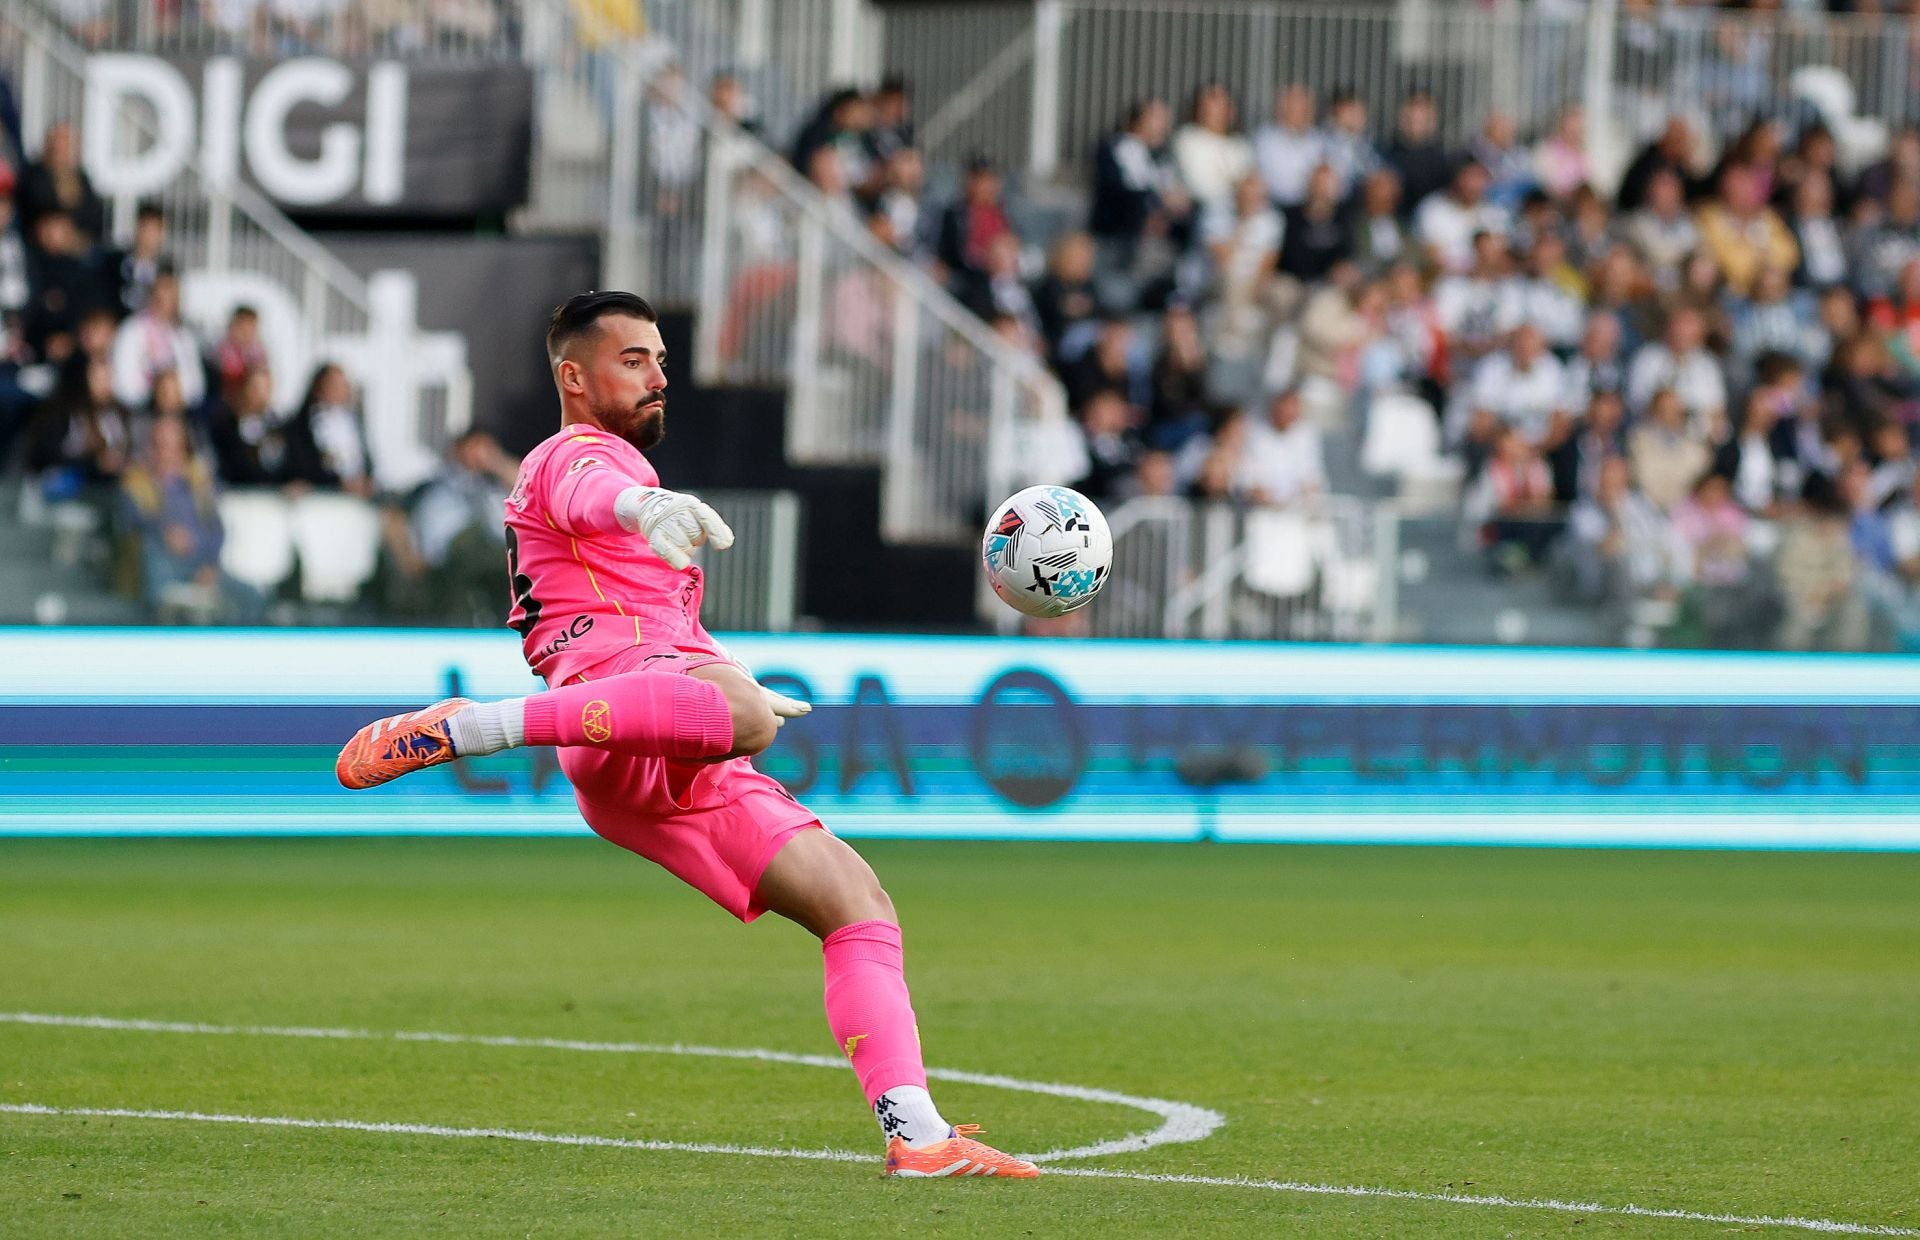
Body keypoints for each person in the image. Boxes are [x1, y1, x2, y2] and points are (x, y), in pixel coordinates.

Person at [334, 291, 1040, 1179]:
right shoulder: (570, 455)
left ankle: (918, 1133)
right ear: (574, 376)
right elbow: (595, 495)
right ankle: (471, 728)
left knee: (857, 904)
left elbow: (649, 610)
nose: (659, 376)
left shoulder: (619, 471)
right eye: (634, 360)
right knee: (744, 716)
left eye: (661, 359)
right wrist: (640, 512)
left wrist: (721, 672)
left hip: (664, 729)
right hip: (607, 710)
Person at [118, 414, 263, 623]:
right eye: (158, 445)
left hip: (201, 565)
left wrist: (211, 565)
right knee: (153, 553)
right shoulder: (135, 483)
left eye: (171, 446)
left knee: (252, 597)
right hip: (161, 567)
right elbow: (131, 521)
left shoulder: (199, 484)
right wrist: (164, 531)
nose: (164, 453)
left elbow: (216, 528)